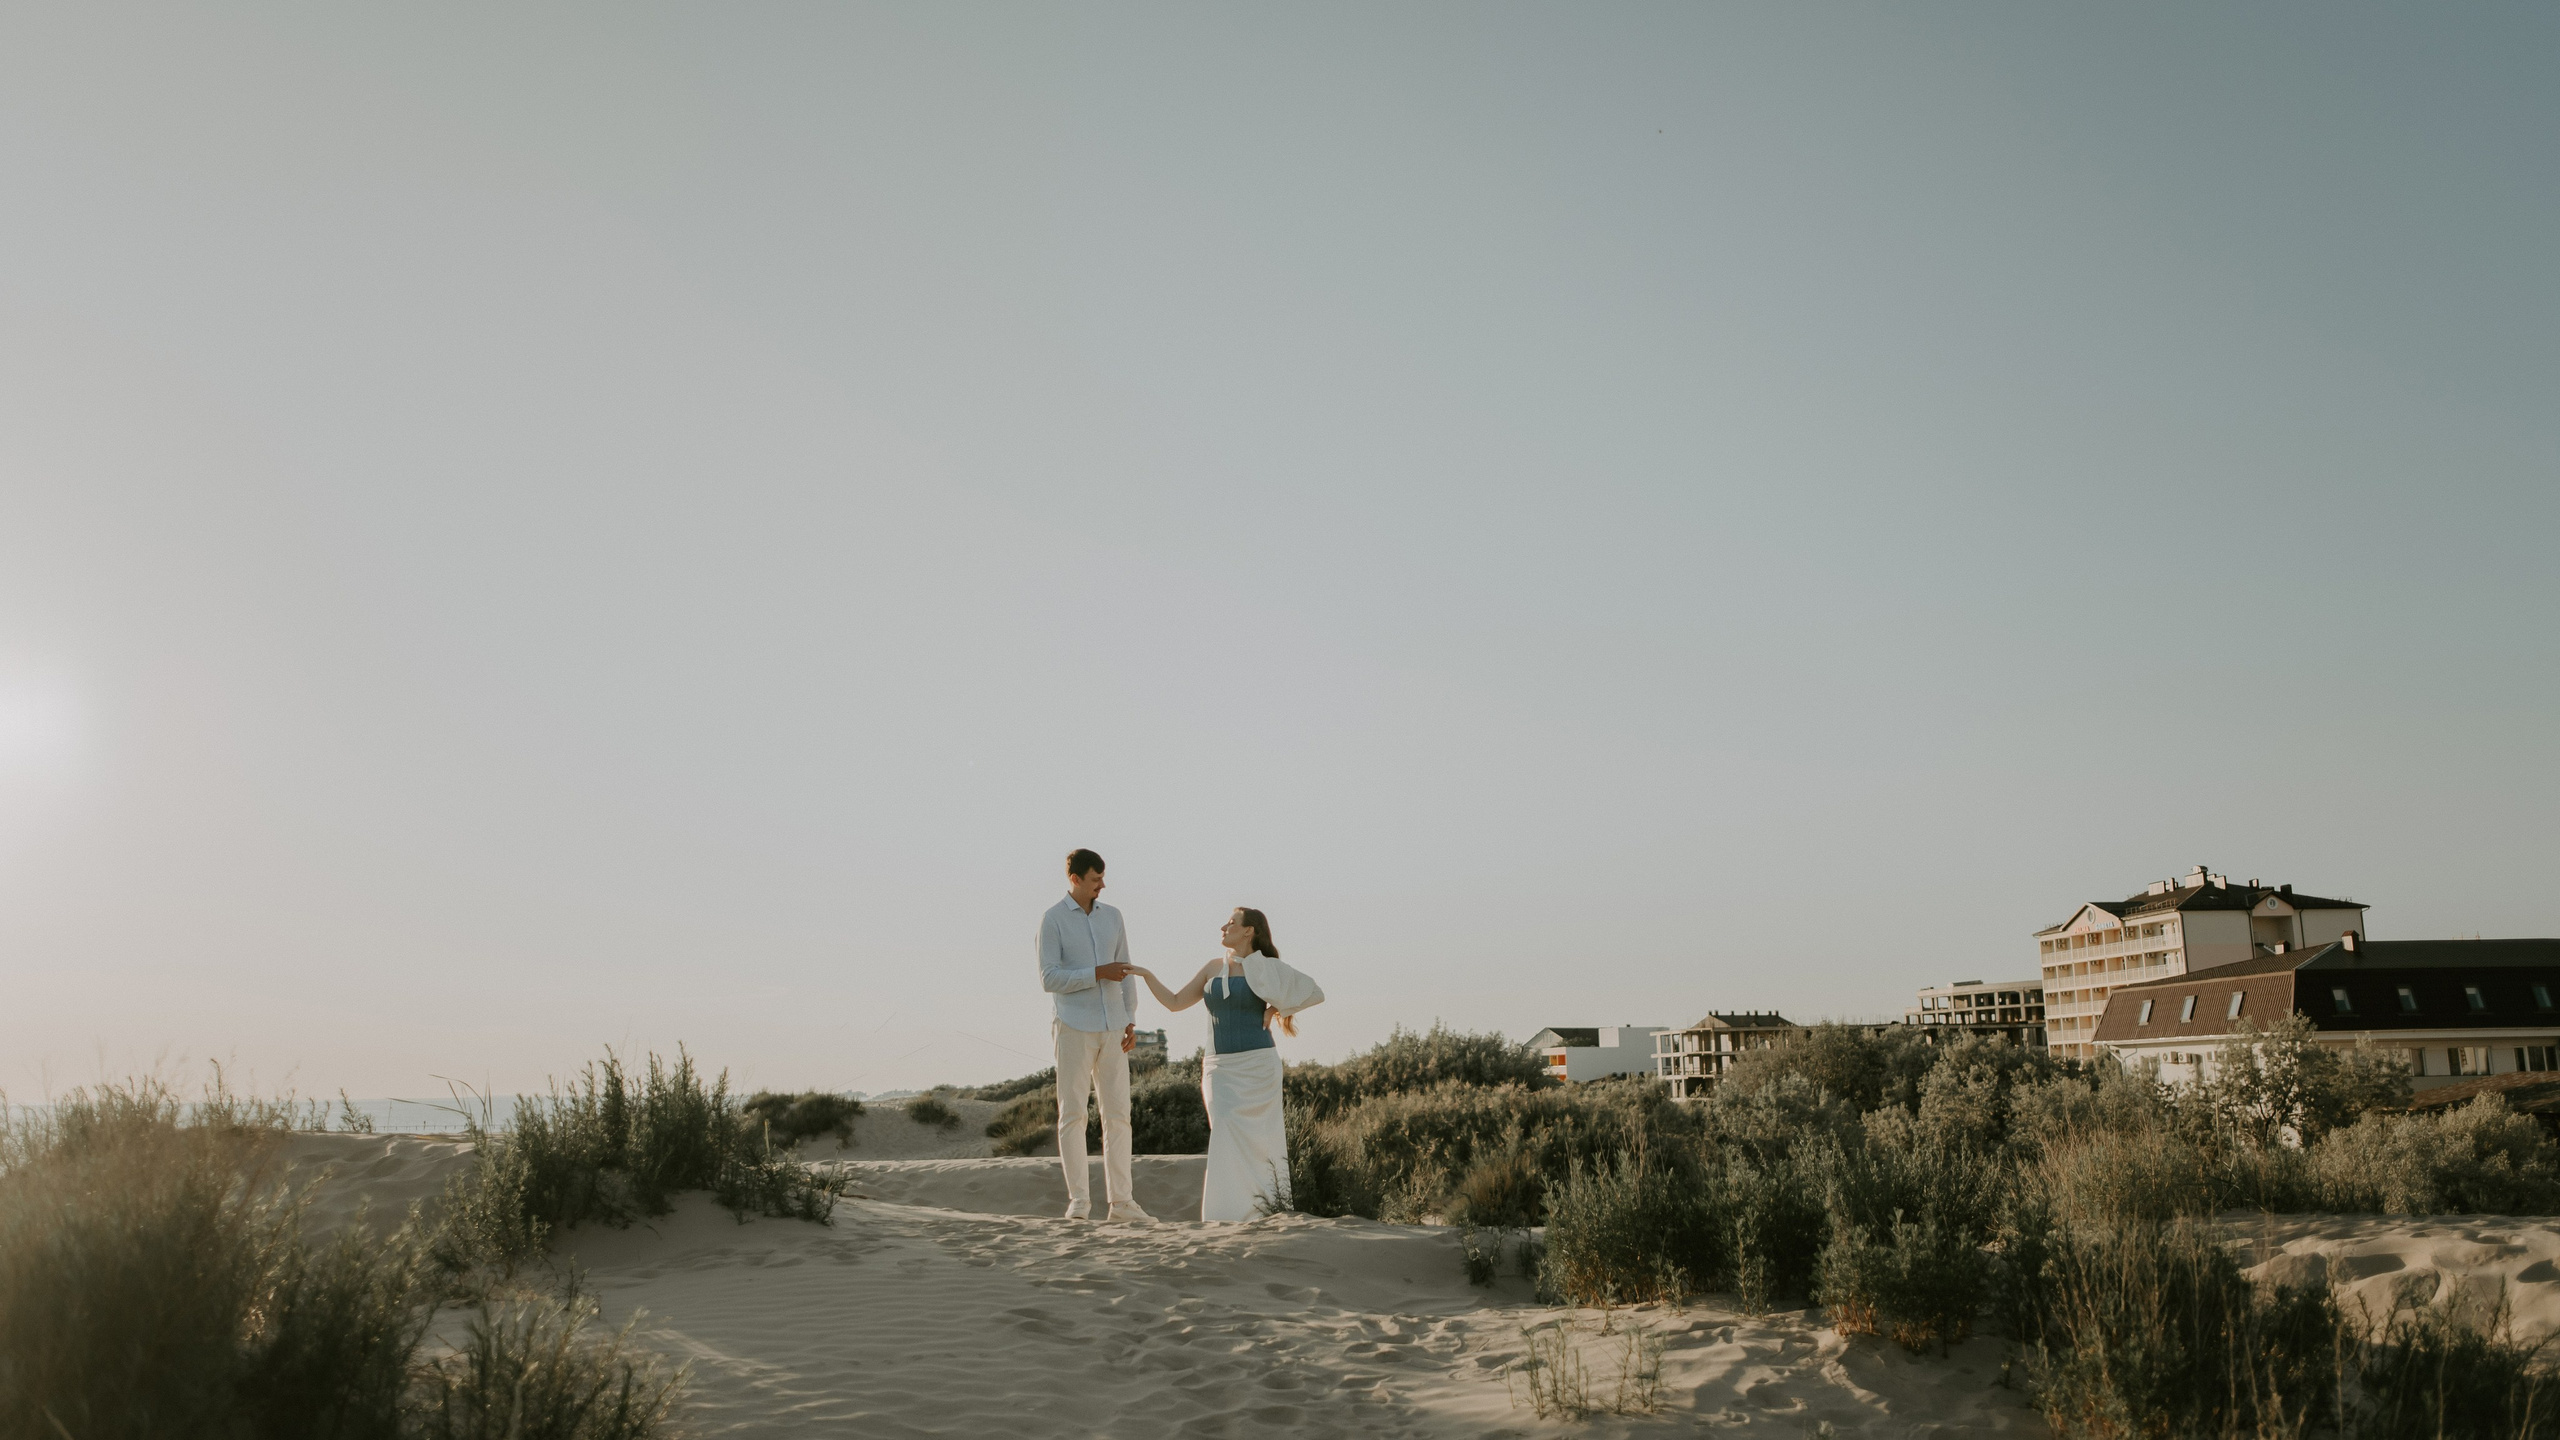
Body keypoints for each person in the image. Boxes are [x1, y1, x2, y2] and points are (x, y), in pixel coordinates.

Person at [1131, 907, 1323, 1222]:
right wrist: (1147, 975)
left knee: (1263, 1141)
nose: (1223, 927)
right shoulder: (1212, 968)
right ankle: (1225, 1214)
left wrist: (1277, 1008)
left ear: (1249, 931)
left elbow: (1315, 992)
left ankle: (1265, 1211)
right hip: (1219, 1067)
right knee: (1223, 1127)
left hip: (1259, 1066)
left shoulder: (1266, 966)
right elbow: (1175, 1003)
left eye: (1231, 923)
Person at [1037, 848, 1149, 1222]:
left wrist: (1130, 1019)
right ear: (1075, 879)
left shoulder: (1113, 917)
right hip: (1073, 1027)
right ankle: (1080, 1202)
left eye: (1102, 878)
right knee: (1073, 1114)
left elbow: (1126, 969)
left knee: (1118, 1116)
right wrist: (1097, 973)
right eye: (1095, 879)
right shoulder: (1052, 919)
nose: (1102, 885)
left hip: (1114, 1027)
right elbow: (1049, 978)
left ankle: (1122, 1203)